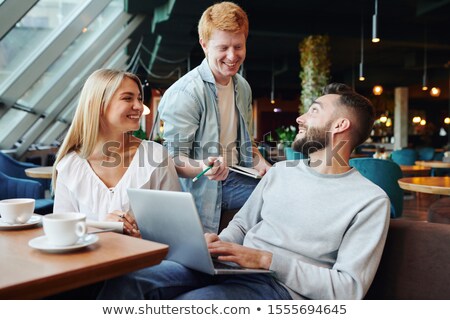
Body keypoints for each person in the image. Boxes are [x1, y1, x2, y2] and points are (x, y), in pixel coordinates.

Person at [96, 83, 390, 299]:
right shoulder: (280, 175)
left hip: (280, 289)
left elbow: (348, 290)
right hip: (231, 267)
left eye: (313, 111)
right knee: (130, 280)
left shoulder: (370, 201)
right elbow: (241, 224)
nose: (300, 118)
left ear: (340, 124)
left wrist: (265, 259)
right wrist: (216, 245)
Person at [155, 1, 271, 233]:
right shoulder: (185, 93)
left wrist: (267, 168)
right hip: (206, 187)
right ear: (204, 45)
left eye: (238, 47)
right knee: (277, 199)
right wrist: (204, 166)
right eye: (223, 48)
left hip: (239, 174)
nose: (232, 56)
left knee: (287, 185)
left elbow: (247, 147)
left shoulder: (243, 87)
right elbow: (172, 160)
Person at [52, 69, 180, 237]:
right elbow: (61, 232)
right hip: (89, 261)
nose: (139, 107)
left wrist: (142, 237)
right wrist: (101, 228)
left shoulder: (155, 156)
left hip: (146, 260)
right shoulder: (70, 165)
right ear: (98, 105)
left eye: (139, 99)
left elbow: (178, 228)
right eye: (127, 98)